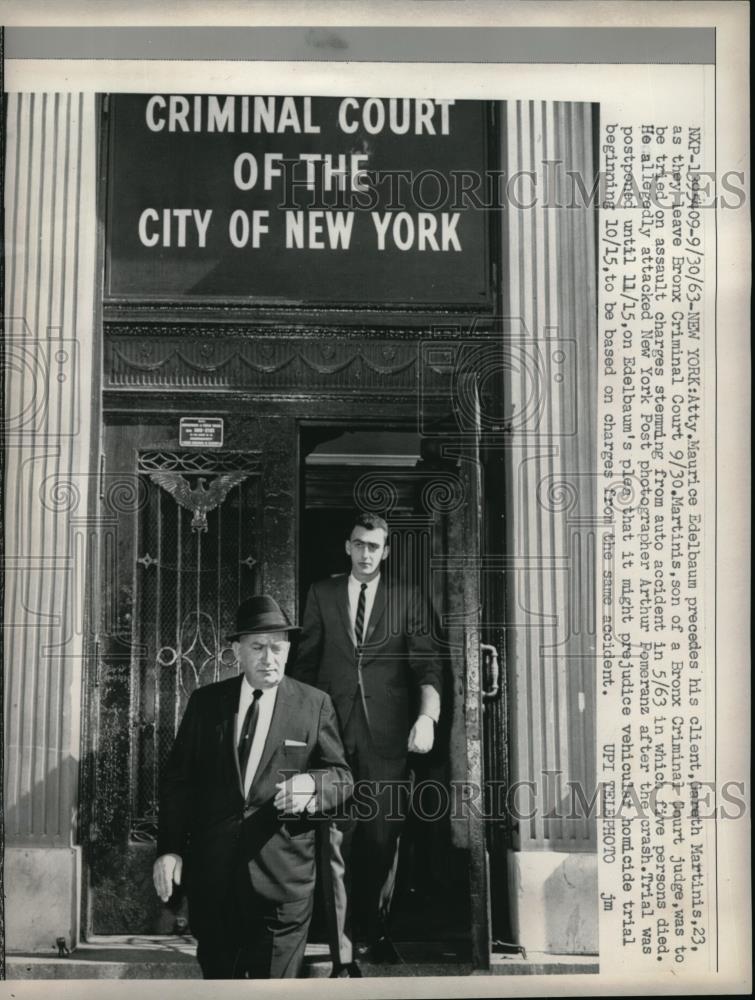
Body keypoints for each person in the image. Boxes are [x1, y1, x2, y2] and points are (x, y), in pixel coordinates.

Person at [152, 594, 352, 980]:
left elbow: (342, 777)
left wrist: (312, 785)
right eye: (258, 648)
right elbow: (179, 783)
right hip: (214, 884)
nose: (269, 658)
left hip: (282, 888)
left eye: (277, 648)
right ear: (236, 651)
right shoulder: (205, 704)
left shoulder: (314, 705)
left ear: (289, 649)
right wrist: (170, 849)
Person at [293, 511, 442, 974]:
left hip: (389, 739)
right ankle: (342, 953)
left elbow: (429, 668)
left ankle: (372, 930)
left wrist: (427, 717)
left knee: (381, 841)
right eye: (358, 544)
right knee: (335, 840)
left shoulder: (407, 598)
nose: (365, 553)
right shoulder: (322, 593)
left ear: (386, 551)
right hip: (332, 736)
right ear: (347, 546)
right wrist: (299, 733)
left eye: (373, 546)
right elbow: (306, 665)